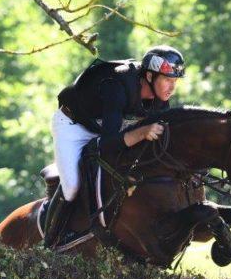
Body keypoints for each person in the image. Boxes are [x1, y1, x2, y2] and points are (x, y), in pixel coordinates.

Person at [43, 45, 187, 248]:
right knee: (74, 186)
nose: (171, 88)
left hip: (106, 128)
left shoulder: (160, 101)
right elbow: (108, 145)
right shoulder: (117, 85)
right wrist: (141, 133)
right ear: (149, 75)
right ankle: (50, 242)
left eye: (175, 81)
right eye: (167, 80)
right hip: (73, 127)